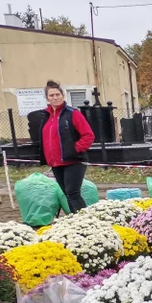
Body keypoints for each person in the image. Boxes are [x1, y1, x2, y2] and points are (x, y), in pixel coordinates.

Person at [39, 80, 94, 213]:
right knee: (68, 195)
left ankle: (86, 223)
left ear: (62, 95)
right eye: (51, 95)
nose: (55, 98)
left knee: (73, 193)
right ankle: (76, 223)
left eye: (57, 94)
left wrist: (75, 149)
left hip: (73, 160)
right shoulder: (46, 116)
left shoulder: (72, 114)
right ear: (47, 98)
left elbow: (88, 135)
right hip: (56, 162)